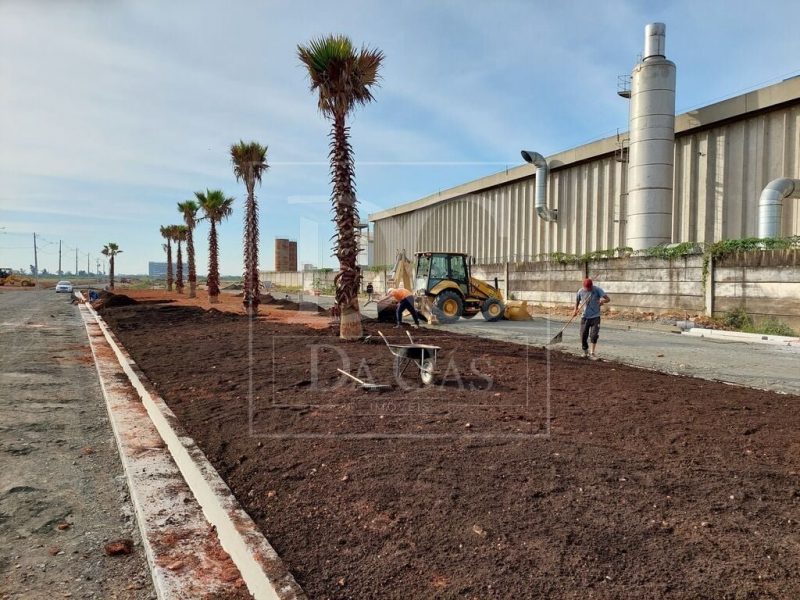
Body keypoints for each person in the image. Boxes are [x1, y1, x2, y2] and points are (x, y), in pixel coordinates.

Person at [574, 278, 610, 360]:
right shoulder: (580, 291)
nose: (588, 289)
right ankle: (585, 352)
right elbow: (577, 301)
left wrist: (602, 301)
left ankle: (592, 353)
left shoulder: (597, 290)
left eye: (590, 288)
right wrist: (575, 310)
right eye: (587, 288)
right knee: (583, 335)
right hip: (585, 317)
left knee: (594, 335)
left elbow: (608, 299)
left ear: (592, 286)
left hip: (595, 317)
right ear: (584, 287)